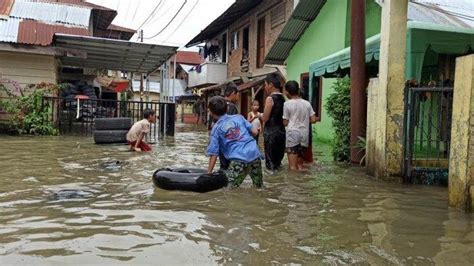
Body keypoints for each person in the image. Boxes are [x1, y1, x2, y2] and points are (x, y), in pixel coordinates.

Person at [206, 96, 263, 188]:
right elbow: (255, 132)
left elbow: (214, 153)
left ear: (211, 112)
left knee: (229, 189)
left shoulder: (216, 128)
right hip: (254, 154)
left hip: (238, 159)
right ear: (227, 108)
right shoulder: (239, 117)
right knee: (259, 187)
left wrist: (208, 173)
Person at [283, 81, 317, 171]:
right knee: (300, 166)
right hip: (304, 135)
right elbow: (313, 120)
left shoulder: (287, 104)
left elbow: (285, 122)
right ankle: (302, 183)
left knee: (292, 167)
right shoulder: (307, 103)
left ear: (287, 92)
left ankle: (293, 184)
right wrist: (304, 120)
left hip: (292, 135)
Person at [261, 73, 286, 170]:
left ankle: (271, 183)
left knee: (270, 163)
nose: (265, 87)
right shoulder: (283, 98)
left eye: (266, 84)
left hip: (271, 133)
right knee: (278, 162)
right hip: (281, 133)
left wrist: (260, 115)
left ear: (271, 85)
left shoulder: (270, 99)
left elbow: (265, 118)